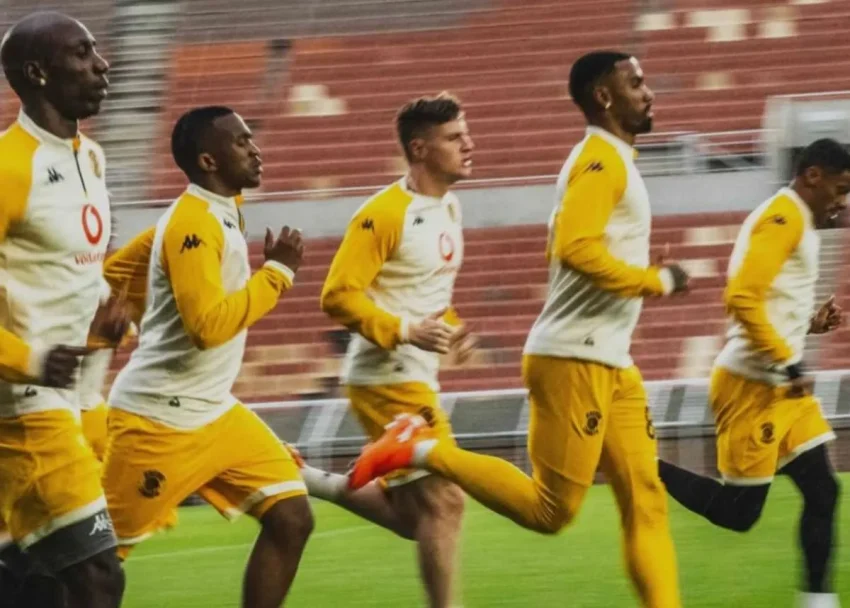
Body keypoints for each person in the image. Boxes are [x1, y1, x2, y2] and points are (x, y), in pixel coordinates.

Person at [346, 52, 690, 607]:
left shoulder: (612, 161)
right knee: (550, 512)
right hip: (575, 358)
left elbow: (569, 249)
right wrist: (657, 281)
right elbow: (575, 248)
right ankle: (421, 449)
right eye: (637, 83)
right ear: (605, 96)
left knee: (646, 497)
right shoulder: (599, 162)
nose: (648, 92)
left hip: (611, 357)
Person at [100, 105, 312, 608]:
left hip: (213, 409)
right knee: (94, 564)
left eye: (251, 138)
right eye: (241, 142)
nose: (255, 150)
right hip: (159, 419)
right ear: (208, 161)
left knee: (291, 518)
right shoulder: (193, 221)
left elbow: (118, 273)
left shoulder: (219, 210)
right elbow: (207, 328)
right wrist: (277, 274)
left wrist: (126, 307)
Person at [658, 138, 849, 608]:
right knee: (739, 513)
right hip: (752, 385)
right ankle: (639, 463)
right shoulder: (782, 219)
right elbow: (741, 297)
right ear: (813, 176)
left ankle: (818, 602)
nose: (843, 202)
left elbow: (768, 304)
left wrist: (807, 325)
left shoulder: (797, 220)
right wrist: (790, 361)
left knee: (824, 491)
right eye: (841, 189)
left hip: (782, 386)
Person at [306, 92, 476, 608]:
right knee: (446, 501)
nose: (469, 144)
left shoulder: (449, 206)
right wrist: (405, 330)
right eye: (454, 138)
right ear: (420, 149)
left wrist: (452, 328)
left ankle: (304, 476)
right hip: (387, 377)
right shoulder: (383, 214)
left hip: (414, 372)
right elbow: (337, 295)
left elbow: (425, 293)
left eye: (466, 134)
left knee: (414, 516)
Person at [0, 11, 127, 608]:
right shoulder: (8, 168)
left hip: (74, 399)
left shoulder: (91, 157)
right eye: (82, 53)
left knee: (42, 584)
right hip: (24, 407)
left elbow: (68, 266)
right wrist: (31, 360)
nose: (101, 65)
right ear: (38, 74)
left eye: (95, 50)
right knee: (98, 576)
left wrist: (103, 312)